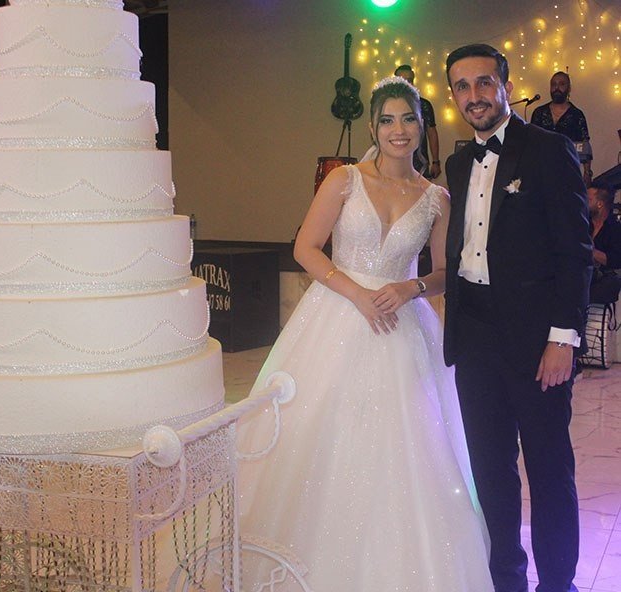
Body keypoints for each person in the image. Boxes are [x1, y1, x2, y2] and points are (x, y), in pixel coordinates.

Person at [237, 77, 494, 591]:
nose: (399, 130)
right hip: (336, 315)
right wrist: (355, 293)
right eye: (387, 120)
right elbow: (306, 247)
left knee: (407, 446)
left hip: (402, 325)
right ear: (373, 127)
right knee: (320, 430)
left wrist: (410, 287)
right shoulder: (344, 180)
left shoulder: (437, 198)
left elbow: (446, 272)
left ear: (422, 126)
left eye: (408, 119)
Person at [444, 44, 592, 592]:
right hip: (475, 338)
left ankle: (558, 583)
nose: (475, 95)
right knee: (491, 471)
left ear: (505, 86)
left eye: (485, 82)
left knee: (550, 470)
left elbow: (575, 252)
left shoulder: (549, 150)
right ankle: (506, 580)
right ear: (453, 96)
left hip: (537, 342)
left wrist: (563, 338)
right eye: (462, 86)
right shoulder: (457, 164)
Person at [531, 71, 593, 185]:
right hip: (541, 172)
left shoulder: (576, 115)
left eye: (561, 84)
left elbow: (585, 144)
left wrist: (587, 172)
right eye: (553, 84)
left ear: (569, 88)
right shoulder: (539, 112)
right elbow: (531, 142)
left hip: (568, 172)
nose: (557, 88)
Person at [394, 64, 442, 179]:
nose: (407, 84)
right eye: (403, 81)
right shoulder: (388, 106)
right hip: (394, 162)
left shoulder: (423, 105)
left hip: (419, 163)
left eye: (410, 80)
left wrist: (436, 161)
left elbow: (432, 133)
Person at [587, 180, 621, 304]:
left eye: (588, 200)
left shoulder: (615, 228)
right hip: (580, 274)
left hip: (602, 279)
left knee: (612, 283)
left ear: (600, 204)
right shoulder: (583, 224)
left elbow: (616, 260)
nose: (584, 202)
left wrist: (591, 251)